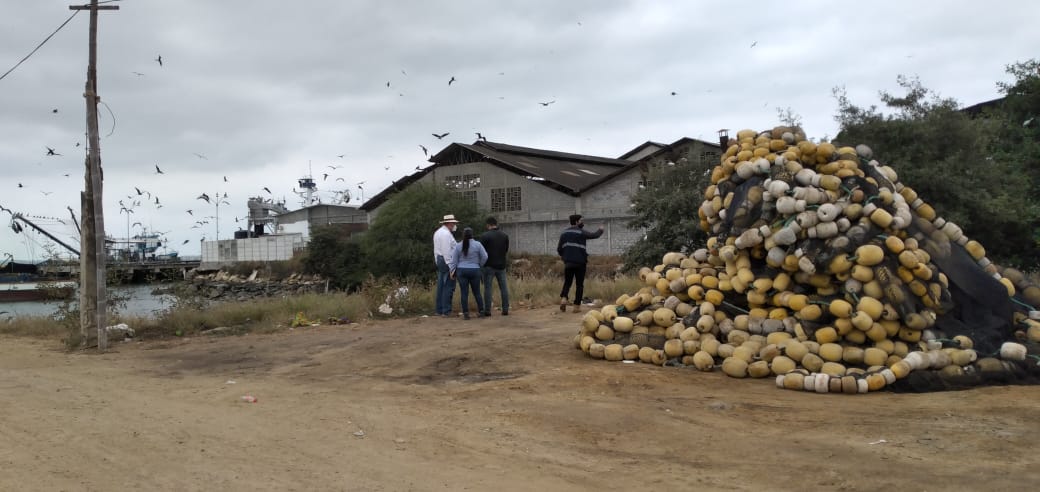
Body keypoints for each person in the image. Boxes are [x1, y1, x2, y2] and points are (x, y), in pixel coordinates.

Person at [557, 214, 603, 313]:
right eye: (581, 221)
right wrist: (600, 230)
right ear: (577, 222)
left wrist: (565, 258)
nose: (582, 222)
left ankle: (564, 298)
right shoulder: (581, 232)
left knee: (567, 282)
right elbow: (594, 235)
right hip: (580, 263)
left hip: (568, 263)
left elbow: (559, 249)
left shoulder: (564, 233)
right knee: (579, 285)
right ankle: (576, 307)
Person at [448, 227, 488, 320]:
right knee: (477, 292)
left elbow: (454, 260)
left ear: (463, 235)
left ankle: (466, 313)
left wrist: (452, 271)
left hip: (461, 270)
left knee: (464, 292)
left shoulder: (458, 245)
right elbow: (485, 256)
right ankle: (481, 311)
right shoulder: (478, 244)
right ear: (472, 235)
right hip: (475, 270)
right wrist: (479, 264)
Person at [479, 217, 510, 316]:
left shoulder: (485, 236)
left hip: (488, 266)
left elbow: (481, 252)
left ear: (488, 225)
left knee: (488, 288)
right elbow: (506, 250)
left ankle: (487, 310)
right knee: (504, 288)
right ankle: (505, 309)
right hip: (501, 266)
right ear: (496, 224)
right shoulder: (505, 235)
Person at [433, 214, 459, 317]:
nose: (454, 225)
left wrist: (437, 261)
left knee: (441, 285)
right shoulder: (446, 234)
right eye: (453, 223)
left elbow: (436, 250)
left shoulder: (438, 232)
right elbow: (446, 251)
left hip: (440, 259)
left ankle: (439, 310)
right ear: (449, 223)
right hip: (446, 260)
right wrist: (451, 266)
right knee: (449, 285)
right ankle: (446, 310)